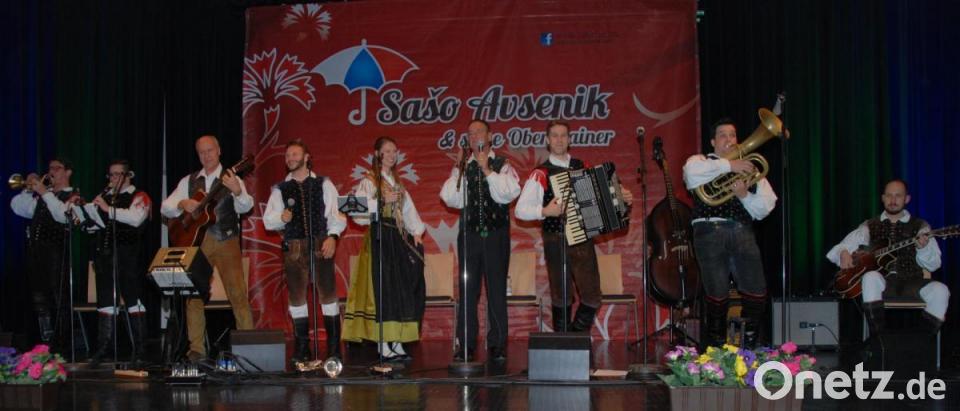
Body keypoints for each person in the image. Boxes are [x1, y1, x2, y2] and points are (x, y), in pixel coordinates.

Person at [515, 121, 633, 333]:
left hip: (582, 238)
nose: (559, 140)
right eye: (555, 136)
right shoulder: (541, 173)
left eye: (563, 135)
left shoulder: (583, 166)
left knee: (593, 296)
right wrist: (545, 211)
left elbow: (605, 197)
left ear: (569, 139)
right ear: (548, 140)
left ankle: (573, 337)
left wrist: (621, 197)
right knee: (561, 295)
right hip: (555, 237)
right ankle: (564, 342)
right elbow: (520, 210)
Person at [682, 118, 777, 348]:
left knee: (756, 291)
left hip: (742, 231)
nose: (729, 139)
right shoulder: (700, 161)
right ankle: (715, 346)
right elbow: (690, 174)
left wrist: (744, 195)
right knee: (716, 293)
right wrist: (729, 166)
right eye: (723, 135)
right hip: (709, 230)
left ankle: (750, 345)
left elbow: (766, 207)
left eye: (733, 135)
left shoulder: (750, 167)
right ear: (713, 141)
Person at [160, 135, 255, 361]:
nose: (207, 155)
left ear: (219, 150)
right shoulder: (189, 180)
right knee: (193, 296)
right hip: (197, 243)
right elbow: (165, 207)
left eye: (210, 150)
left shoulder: (231, 177)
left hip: (226, 241)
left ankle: (249, 346)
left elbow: (246, 206)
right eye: (202, 152)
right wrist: (182, 203)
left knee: (237, 294)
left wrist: (238, 191)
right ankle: (197, 350)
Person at [440, 119, 521, 362]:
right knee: (468, 291)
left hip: (496, 236)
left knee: (496, 290)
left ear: (490, 136)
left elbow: (509, 193)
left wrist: (487, 170)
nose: (475, 136)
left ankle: (497, 344)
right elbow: (449, 198)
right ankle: (465, 344)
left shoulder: (502, 164)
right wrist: (458, 168)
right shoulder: (464, 167)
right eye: (470, 133)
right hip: (470, 236)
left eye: (479, 132)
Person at [341, 136, 426, 360]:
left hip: (396, 238)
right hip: (379, 238)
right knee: (383, 290)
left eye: (394, 151)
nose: (391, 155)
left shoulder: (397, 182)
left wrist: (416, 231)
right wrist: (381, 201)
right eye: (387, 151)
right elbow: (357, 212)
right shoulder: (370, 181)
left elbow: (408, 209)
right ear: (377, 154)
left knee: (398, 290)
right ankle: (382, 343)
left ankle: (396, 341)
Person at [827, 179, 946, 336]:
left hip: (913, 282)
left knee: (941, 290)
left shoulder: (921, 227)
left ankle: (923, 342)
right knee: (870, 277)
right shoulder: (869, 225)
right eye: (889, 195)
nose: (893, 200)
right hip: (881, 284)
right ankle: (878, 340)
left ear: (907, 199)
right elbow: (840, 247)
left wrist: (922, 248)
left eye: (898, 195)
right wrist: (843, 252)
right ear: (883, 198)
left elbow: (934, 264)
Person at [263, 140, 347, 361]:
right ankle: (302, 347)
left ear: (306, 157)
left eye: (294, 154)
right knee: (297, 297)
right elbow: (268, 221)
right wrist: (281, 218)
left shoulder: (323, 183)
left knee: (328, 295)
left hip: (321, 244)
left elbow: (336, 214)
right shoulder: (280, 189)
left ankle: (333, 348)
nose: (290, 158)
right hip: (294, 247)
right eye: (287, 155)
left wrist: (333, 237)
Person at [76, 160, 152, 367]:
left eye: (118, 174)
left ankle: (140, 349)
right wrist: (86, 217)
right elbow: (100, 225)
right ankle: (104, 348)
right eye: (111, 174)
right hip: (106, 257)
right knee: (106, 302)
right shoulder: (107, 198)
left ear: (128, 176)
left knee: (133, 300)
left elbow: (136, 218)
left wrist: (107, 209)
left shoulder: (139, 196)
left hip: (129, 258)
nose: (113, 178)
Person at [10, 158, 80, 351]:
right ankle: (45, 343)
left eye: (57, 168)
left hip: (56, 253)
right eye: (50, 168)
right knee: (39, 300)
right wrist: (28, 189)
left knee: (58, 299)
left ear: (68, 172)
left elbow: (62, 216)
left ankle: (62, 346)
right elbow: (18, 208)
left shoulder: (72, 195)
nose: (51, 172)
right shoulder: (44, 196)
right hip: (36, 253)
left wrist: (44, 193)